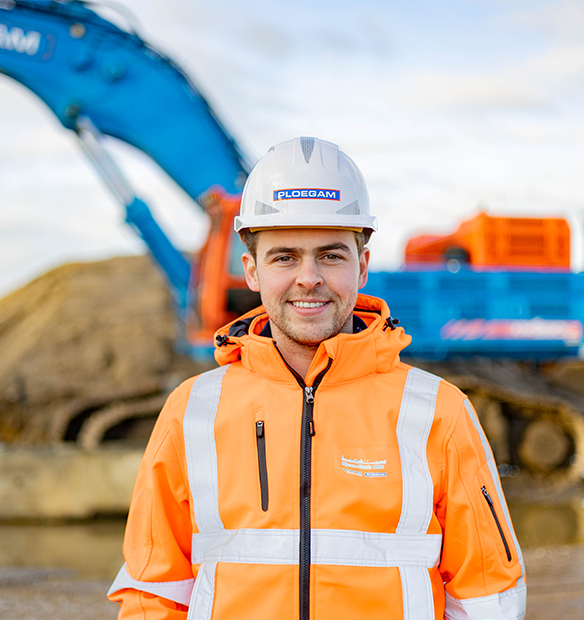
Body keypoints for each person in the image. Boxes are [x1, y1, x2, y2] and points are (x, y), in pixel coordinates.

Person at [108, 137, 526, 620]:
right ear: (251, 270)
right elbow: (152, 594)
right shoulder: (192, 411)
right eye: (284, 257)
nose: (309, 277)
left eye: (331, 255)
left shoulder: (438, 411)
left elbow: (488, 595)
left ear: (362, 266)